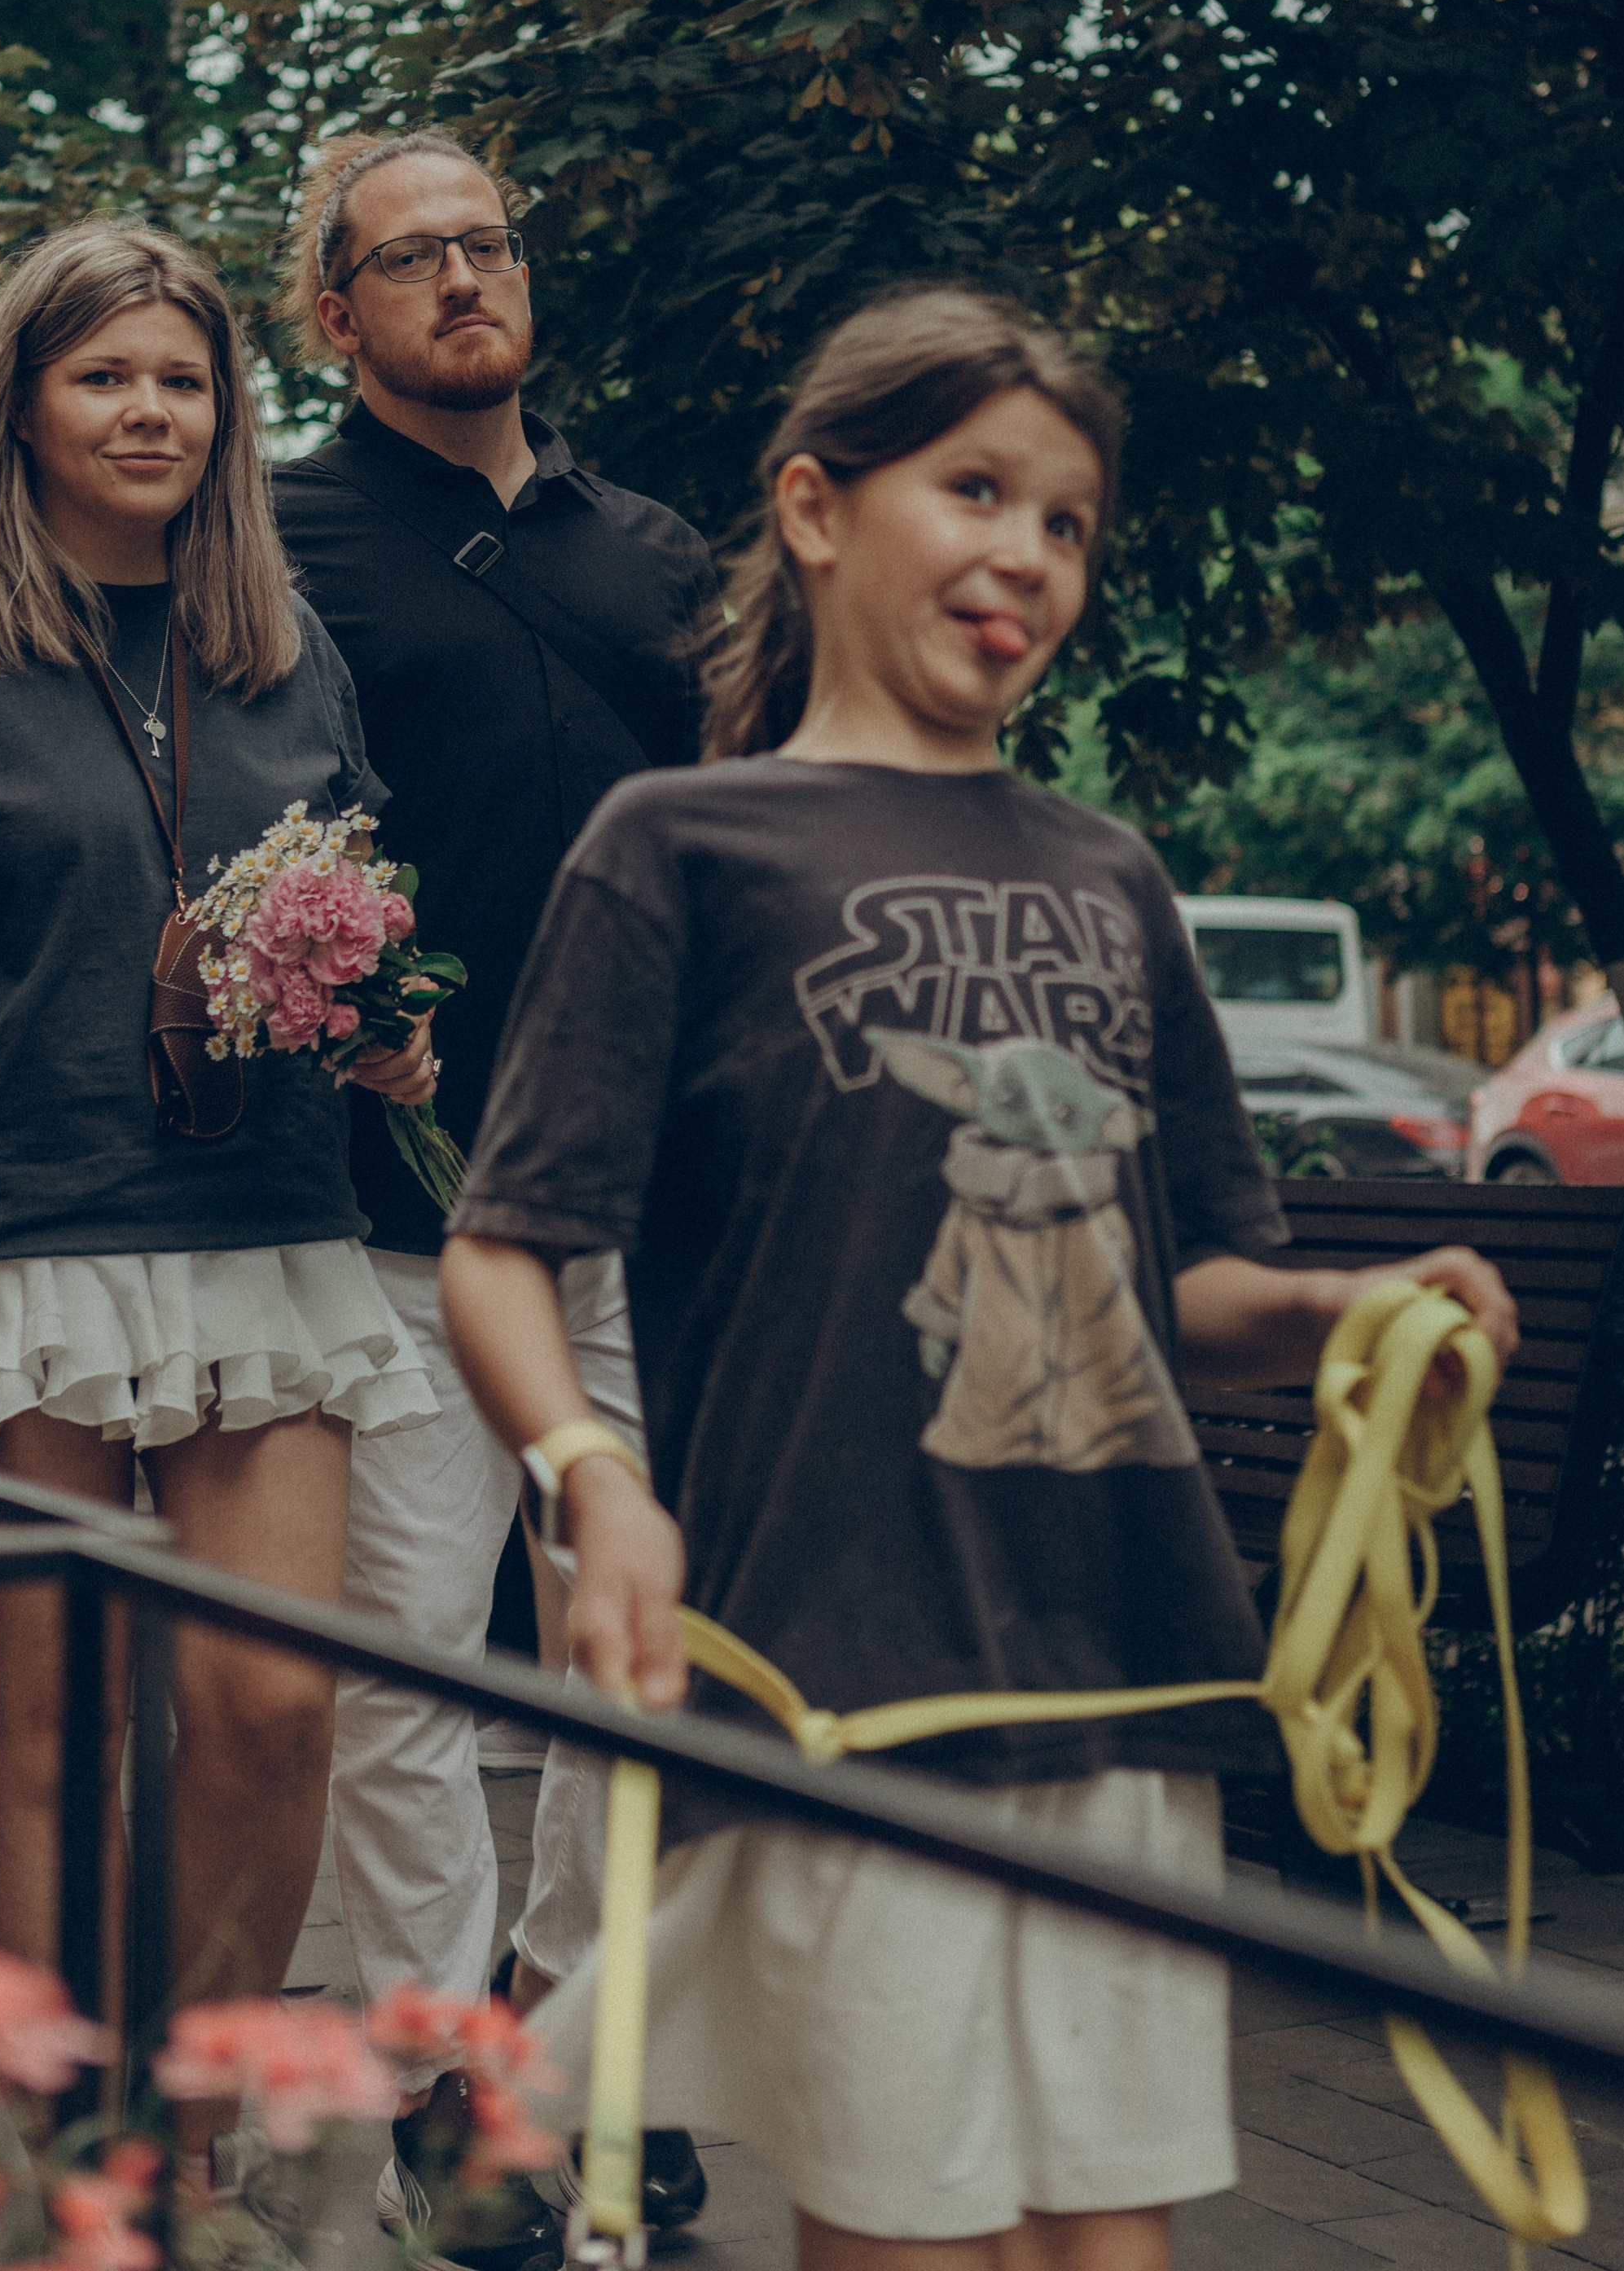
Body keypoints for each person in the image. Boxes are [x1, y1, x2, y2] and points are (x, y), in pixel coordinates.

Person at [437, 286, 1521, 2271]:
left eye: (1067, 524)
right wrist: (593, 1479)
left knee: (1106, 2238)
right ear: (817, 505)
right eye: (974, 488)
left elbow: (1192, 1272)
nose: (1024, 553)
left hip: (1121, 1651)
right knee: (908, 2231)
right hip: (846, 1664)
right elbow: (503, 1242)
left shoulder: (1105, 869)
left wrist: (1351, 1311)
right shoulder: (675, 842)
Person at [0, 222, 439, 2177]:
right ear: (26, 404)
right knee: (53, 1724)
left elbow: (352, 940)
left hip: (261, 1226)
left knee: (266, 1704)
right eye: (103, 374)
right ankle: (70, 2152)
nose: (148, 409)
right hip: (9, 1235)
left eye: (181, 376)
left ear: (225, 410)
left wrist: (386, 1033)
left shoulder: (283, 646)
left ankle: (194, 2129)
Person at [269, 129, 720, 2268]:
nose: (466, 279)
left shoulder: (653, 553)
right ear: (331, 313)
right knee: (407, 1671)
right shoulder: (270, 546)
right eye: (411, 257)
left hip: (642, 1192)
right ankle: (450, 2087)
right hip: (398, 1197)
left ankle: (562, 2045)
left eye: (490, 244)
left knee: (640, 1658)